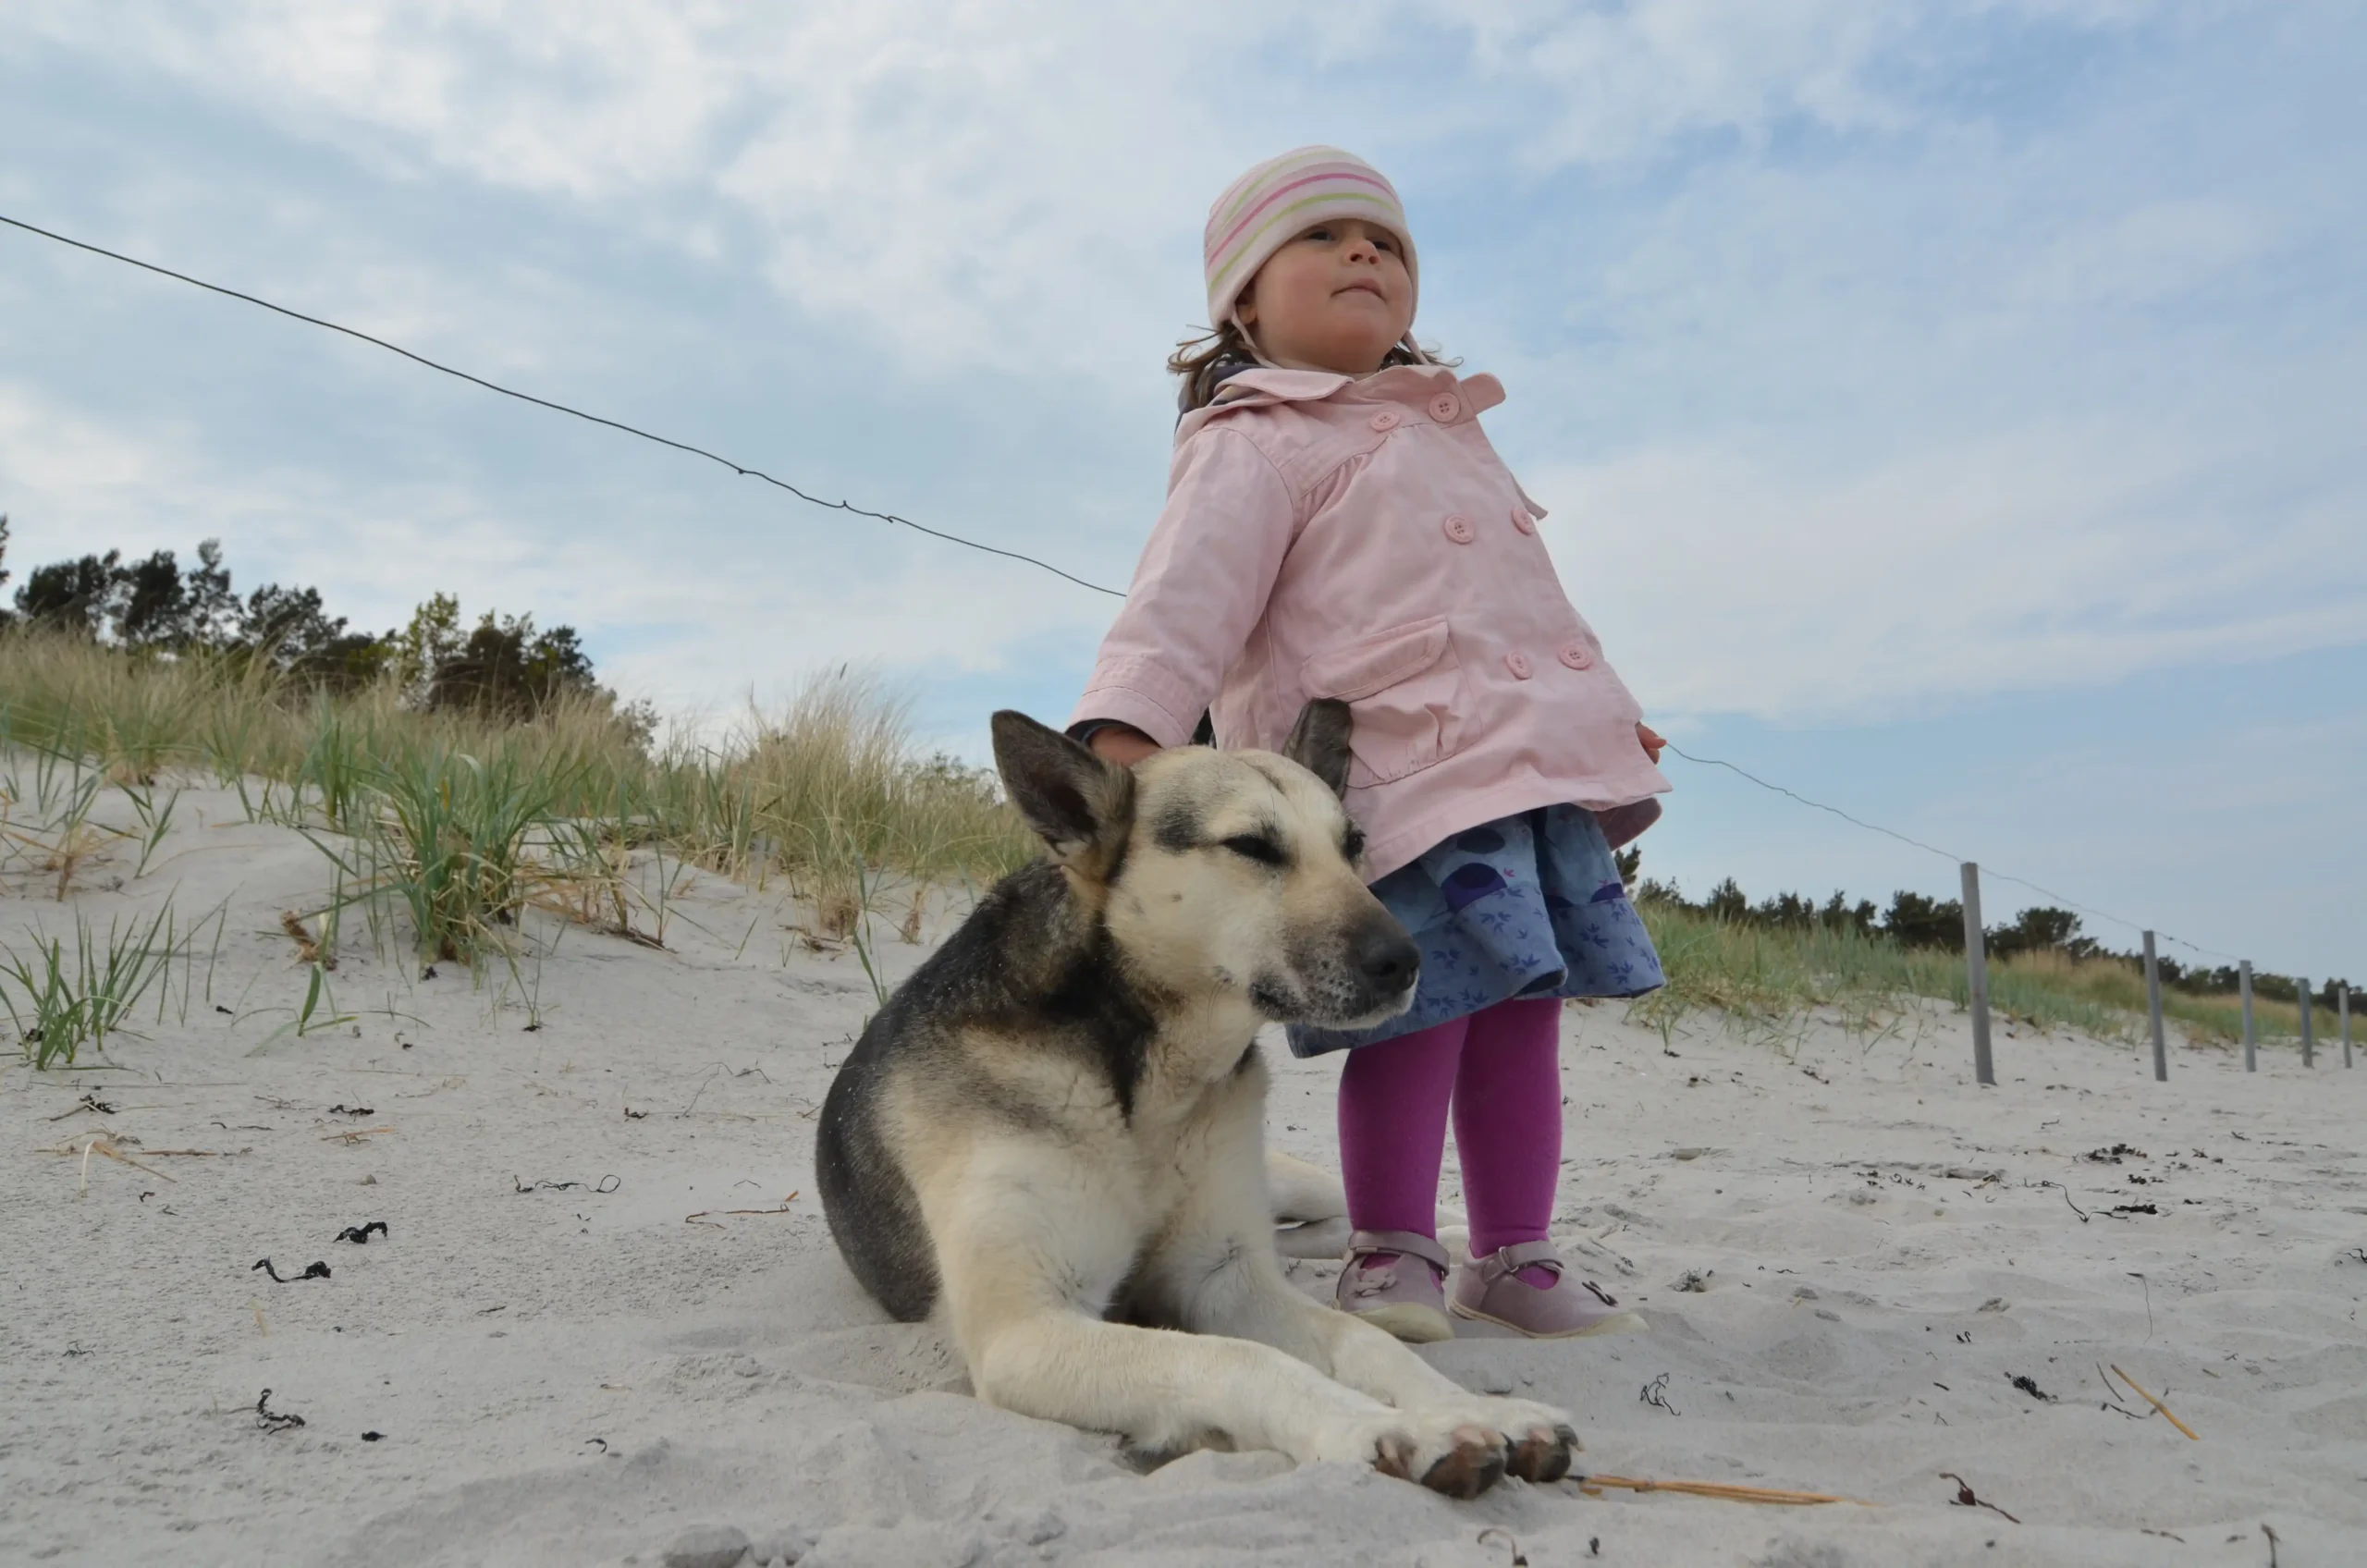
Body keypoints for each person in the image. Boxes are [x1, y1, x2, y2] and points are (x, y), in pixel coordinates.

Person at [1069, 146, 1669, 1342]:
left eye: (1386, 243)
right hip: (1391, 781)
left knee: (1521, 1021)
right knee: (1418, 1011)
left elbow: (1520, 607)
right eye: (1324, 236)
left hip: (1518, 775)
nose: (1363, 254)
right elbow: (1183, 601)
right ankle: (1390, 1249)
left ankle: (1515, 1254)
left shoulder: (1448, 432)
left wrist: (1594, 716)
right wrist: (1127, 734)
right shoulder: (1255, 440)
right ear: (1242, 297)